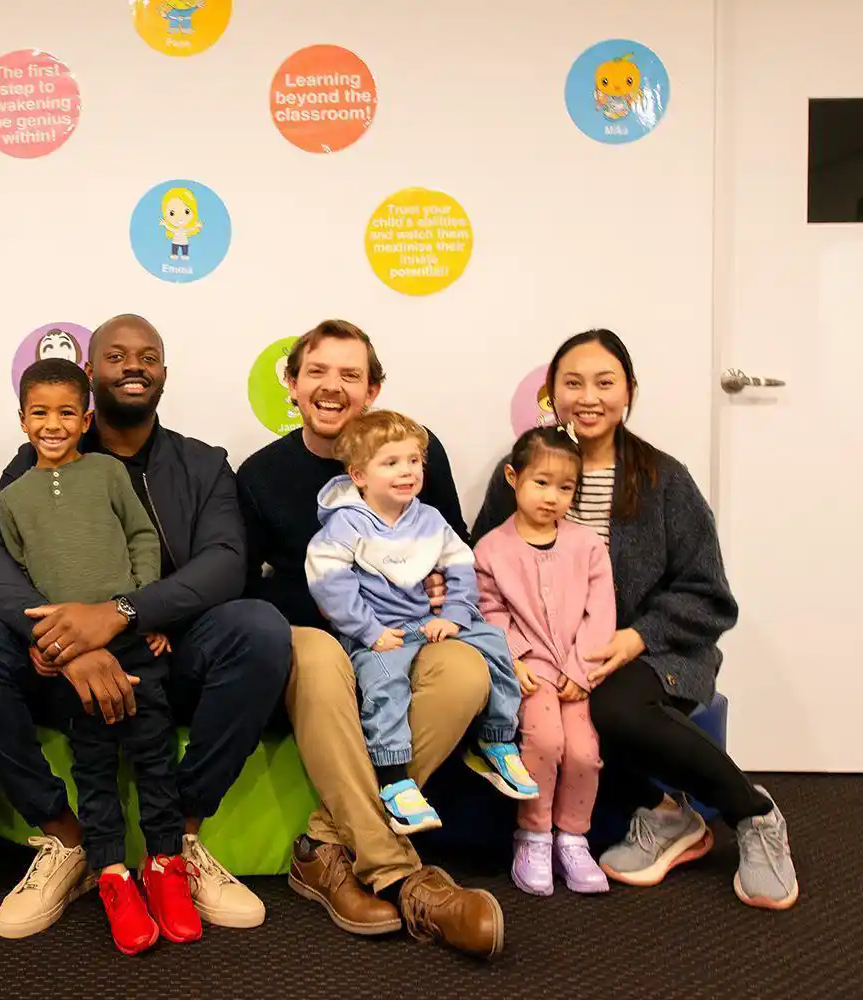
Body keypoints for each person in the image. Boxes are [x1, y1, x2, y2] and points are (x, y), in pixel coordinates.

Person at [0, 314, 288, 940]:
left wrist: (122, 614)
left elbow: (227, 563)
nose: (134, 365)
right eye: (116, 355)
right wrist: (61, 639)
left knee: (257, 627)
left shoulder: (203, 465)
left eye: (148, 355)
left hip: (165, 649)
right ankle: (65, 843)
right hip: (59, 662)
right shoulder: (37, 462)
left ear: (165, 373)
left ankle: (183, 843)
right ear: (90, 378)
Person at [471, 328, 798, 910]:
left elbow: (709, 593)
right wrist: (512, 652)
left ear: (629, 394)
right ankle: (667, 814)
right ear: (552, 394)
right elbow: (486, 573)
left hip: (651, 650)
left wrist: (635, 636)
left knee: (611, 707)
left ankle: (752, 811)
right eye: (573, 382)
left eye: (605, 382)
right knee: (554, 718)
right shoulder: (521, 469)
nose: (588, 396)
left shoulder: (663, 479)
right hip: (543, 655)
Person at [237, 319, 504, 959]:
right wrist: (342, 612)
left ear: (372, 390)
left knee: (469, 671)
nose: (333, 387)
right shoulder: (262, 474)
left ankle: (324, 845)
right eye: (318, 372)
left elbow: (451, 543)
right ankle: (405, 878)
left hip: (406, 632)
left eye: (350, 375)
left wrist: (442, 589)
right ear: (292, 384)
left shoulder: (418, 450)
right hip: (317, 638)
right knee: (322, 654)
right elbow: (243, 586)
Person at [0, 358, 198, 955]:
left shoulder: (109, 473)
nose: (53, 424)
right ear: (23, 420)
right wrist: (45, 643)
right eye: (40, 413)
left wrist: (142, 608)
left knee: (154, 758)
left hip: (132, 639)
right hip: (71, 663)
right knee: (94, 769)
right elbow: (22, 576)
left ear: (86, 419)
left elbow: (142, 537)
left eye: (66, 412)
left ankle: (166, 869)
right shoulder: (13, 498)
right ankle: (112, 875)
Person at [306, 410, 536, 837]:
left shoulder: (428, 519)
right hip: (377, 633)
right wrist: (369, 631)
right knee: (384, 683)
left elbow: (461, 565)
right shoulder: (344, 524)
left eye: (413, 461)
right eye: (390, 463)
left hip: (425, 623)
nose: (406, 471)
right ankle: (394, 779)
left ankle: (495, 738)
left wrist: (452, 614)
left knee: (494, 643)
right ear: (359, 474)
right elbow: (329, 585)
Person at [474, 426, 615, 896]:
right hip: (530, 674)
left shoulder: (589, 547)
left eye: (565, 487)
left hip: (577, 673)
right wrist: (513, 658)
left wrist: (580, 669)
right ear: (513, 477)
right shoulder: (491, 549)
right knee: (544, 742)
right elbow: (488, 610)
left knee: (583, 751)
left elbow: (601, 613)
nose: (553, 497)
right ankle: (532, 835)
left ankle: (573, 837)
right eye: (541, 483)